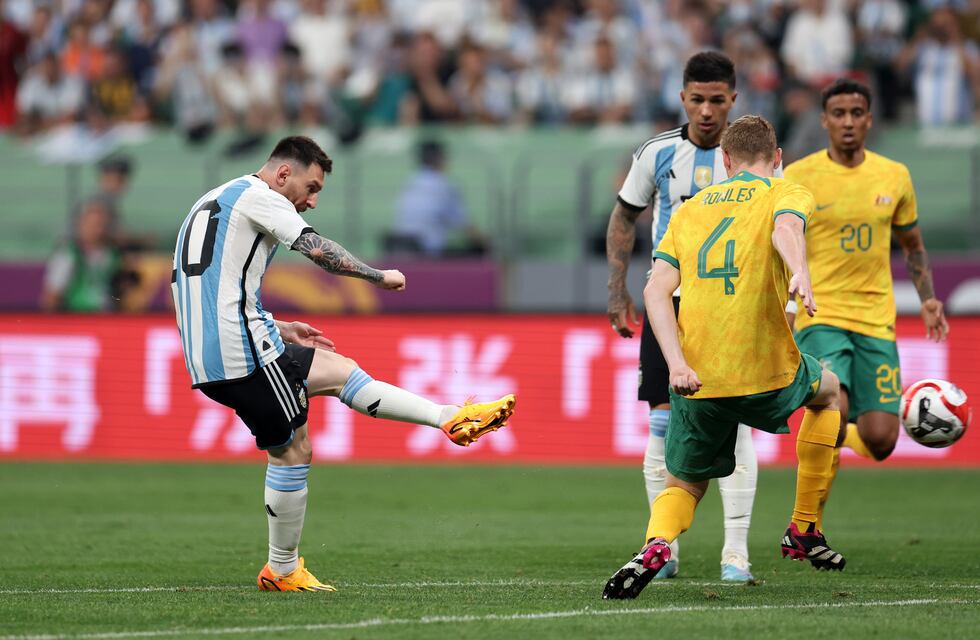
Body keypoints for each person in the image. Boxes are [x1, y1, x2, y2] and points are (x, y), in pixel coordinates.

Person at [170, 135, 516, 592]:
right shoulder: (262, 196)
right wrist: (378, 276)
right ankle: (282, 570)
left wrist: (278, 324)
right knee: (293, 449)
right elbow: (316, 249)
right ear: (283, 174)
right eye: (311, 188)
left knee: (339, 370)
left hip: (223, 342)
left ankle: (448, 418)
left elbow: (209, 283)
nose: (311, 201)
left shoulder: (217, 198)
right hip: (240, 351)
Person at [603, 115, 846, 600]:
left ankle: (657, 543)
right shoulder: (785, 190)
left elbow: (655, 292)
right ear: (777, 159)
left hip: (699, 378)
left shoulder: (689, 212)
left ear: (726, 161)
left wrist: (676, 365)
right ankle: (803, 526)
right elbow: (785, 230)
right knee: (830, 391)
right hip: (767, 370)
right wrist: (800, 271)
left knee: (686, 484)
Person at [605, 51, 759, 582]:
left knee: (732, 422)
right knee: (663, 420)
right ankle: (663, 546)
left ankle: (735, 551)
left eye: (718, 100)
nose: (708, 110)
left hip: (732, 304)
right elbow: (624, 216)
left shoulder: (753, 157)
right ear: (682, 99)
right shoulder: (658, 152)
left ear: (734, 99)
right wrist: (616, 288)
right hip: (667, 301)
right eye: (698, 99)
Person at [784, 78, 948, 528]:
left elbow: (912, 244)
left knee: (880, 442)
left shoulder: (894, 175)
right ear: (824, 121)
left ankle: (839, 443)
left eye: (857, 114)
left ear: (870, 120)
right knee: (830, 411)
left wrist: (929, 299)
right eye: (839, 114)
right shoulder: (799, 176)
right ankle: (806, 524)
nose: (848, 122)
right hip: (823, 315)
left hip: (877, 319)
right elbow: (780, 241)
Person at [387, 139, 487, 257]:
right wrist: (485, 244)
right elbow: (464, 224)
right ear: (440, 158)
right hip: (428, 251)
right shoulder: (445, 184)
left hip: (401, 247)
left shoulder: (411, 182)